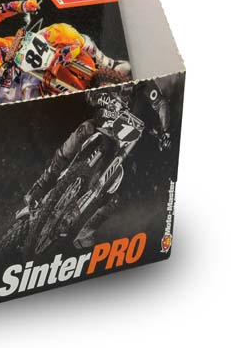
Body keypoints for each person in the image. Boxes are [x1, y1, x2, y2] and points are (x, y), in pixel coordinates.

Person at [24, 81, 171, 246]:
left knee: (125, 182)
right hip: (102, 126)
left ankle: (88, 229)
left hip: (126, 144)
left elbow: (161, 104)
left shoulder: (146, 87)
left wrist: (164, 132)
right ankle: (41, 184)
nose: (126, 89)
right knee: (83, 130)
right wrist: (96, 95)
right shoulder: (113, 76)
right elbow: (90, 91)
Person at [0, 0, 129, 105]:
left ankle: (107, 62)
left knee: (63, 31)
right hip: (22, 84)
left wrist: (23, 6)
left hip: (23, 46)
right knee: (36, 102)